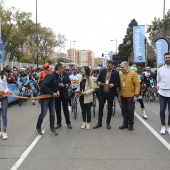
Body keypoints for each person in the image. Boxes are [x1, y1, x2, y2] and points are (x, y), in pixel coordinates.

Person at [36, 63, 64, 136]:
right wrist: (52, 93)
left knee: (52, 113)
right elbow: (43, 86)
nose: (63, 70)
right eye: (63, 68)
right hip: (45, 97)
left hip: (51, 97)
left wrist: (57, 91)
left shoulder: (57, 76)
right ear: (59, 69)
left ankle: (52, 128)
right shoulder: (51, 76)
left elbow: (56, 85)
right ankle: (38, 127)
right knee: (43, 113)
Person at [93, 60, 120, 130]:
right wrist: (98, 82)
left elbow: (118, 83)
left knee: (110, 109)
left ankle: (108, 123)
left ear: (112, 65)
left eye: (109, 66)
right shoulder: (103, 71)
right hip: (102, 93)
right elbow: (97, 80)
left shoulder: (116, 73)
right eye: (107, 66)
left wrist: (113, 85)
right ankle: (99, 123)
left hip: (110, 93)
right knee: (100, 108)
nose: (108, 67)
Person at [118, 61, 140, 131]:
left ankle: (131, 124)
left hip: (130, 96)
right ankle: (125, 123)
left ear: (126, 66)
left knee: (130, 110)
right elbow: (120, 86)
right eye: (121, 67)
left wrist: (136, 95)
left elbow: (137, 84)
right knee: (123, 110)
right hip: (122, 96)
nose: (121, 68)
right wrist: (119, 95)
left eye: (122, 67)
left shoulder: (133, 73)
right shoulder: (120, 74)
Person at [157, 52, 170, 135]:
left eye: (169, 57)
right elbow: (158, 81)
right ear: (164, 59)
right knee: (162, 110)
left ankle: (168, 126)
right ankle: (163, 126)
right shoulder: (160, 69)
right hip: (162, 92)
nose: (168, 59)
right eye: (166, 58)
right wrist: (158, 88)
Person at [0, 71, 10, 140]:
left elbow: (6, 87)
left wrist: (7, 91)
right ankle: (0, 131)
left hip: (4, 98)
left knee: (4, 115)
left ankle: (4, 132)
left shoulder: (3, 77)